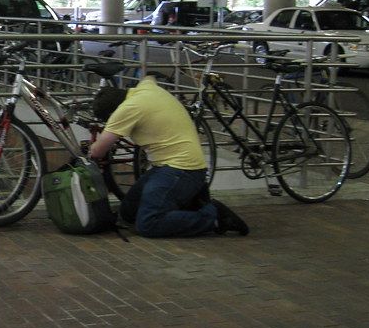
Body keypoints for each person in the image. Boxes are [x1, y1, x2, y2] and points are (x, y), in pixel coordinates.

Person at [87, 76, 249, 237]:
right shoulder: (146, 88)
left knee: (148, 224)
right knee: (129, 212)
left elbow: (98, 151)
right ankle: (189, 205)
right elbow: (150, 77)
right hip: (168, 167)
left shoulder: (128, 108)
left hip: (181, 170)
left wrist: (90, 148)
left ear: (113, 112)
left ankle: (214, 217)